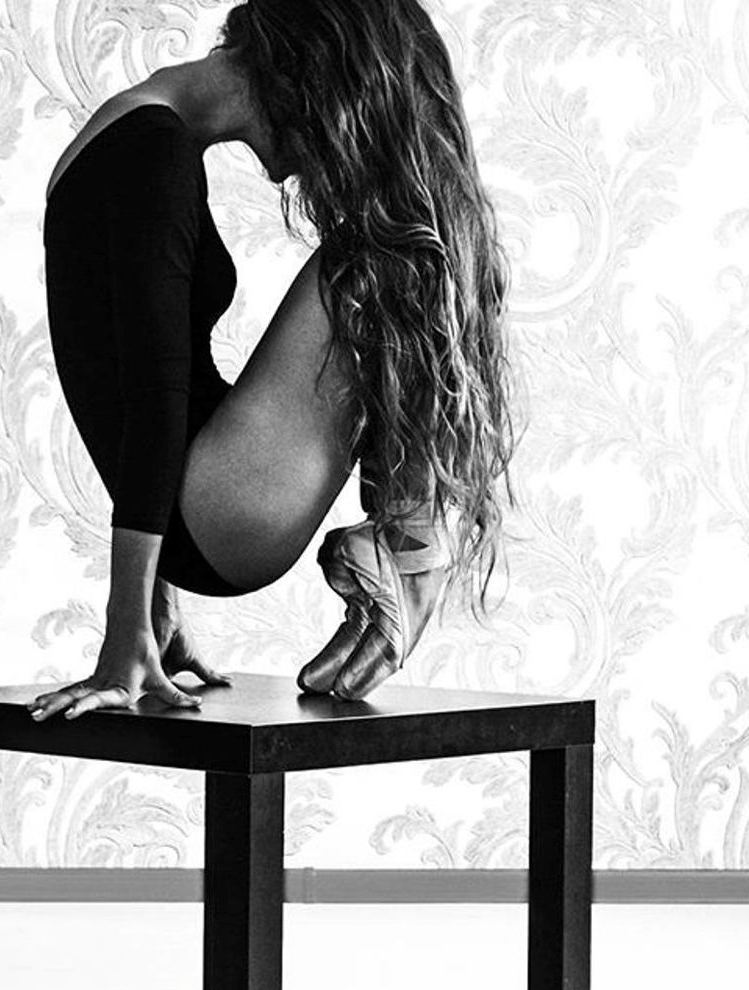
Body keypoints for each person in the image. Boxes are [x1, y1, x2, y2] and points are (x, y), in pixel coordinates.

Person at [27, 0, 515, 723]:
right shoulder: (151, 153)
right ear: (306, 77)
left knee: (415, 237)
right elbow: (151, 400)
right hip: (215, 511)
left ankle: (407, 543)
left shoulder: (137, 134)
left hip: (204, 508)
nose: (325, 163)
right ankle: (413, 550)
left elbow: (123, 375)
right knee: (395, 252)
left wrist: (159, 608)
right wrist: (126, 633)